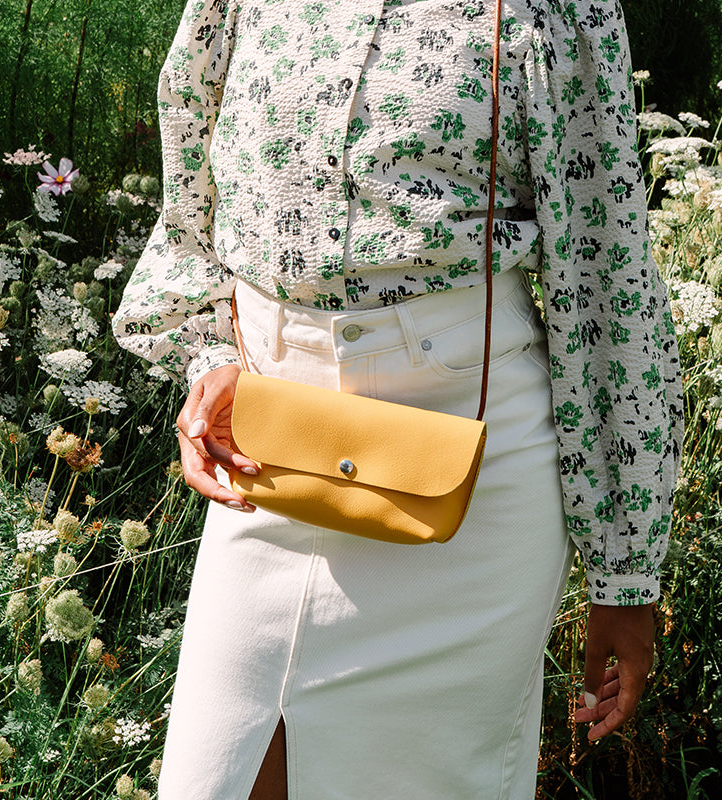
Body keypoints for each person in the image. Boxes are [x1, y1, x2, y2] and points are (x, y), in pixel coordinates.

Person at [112, 0, 683, 796]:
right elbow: (191, 205)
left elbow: (606, 278)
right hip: (273, 452)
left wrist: (624, 576)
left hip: (470, 476)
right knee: (220, 777)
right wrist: (208, 354)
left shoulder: (558, 10)